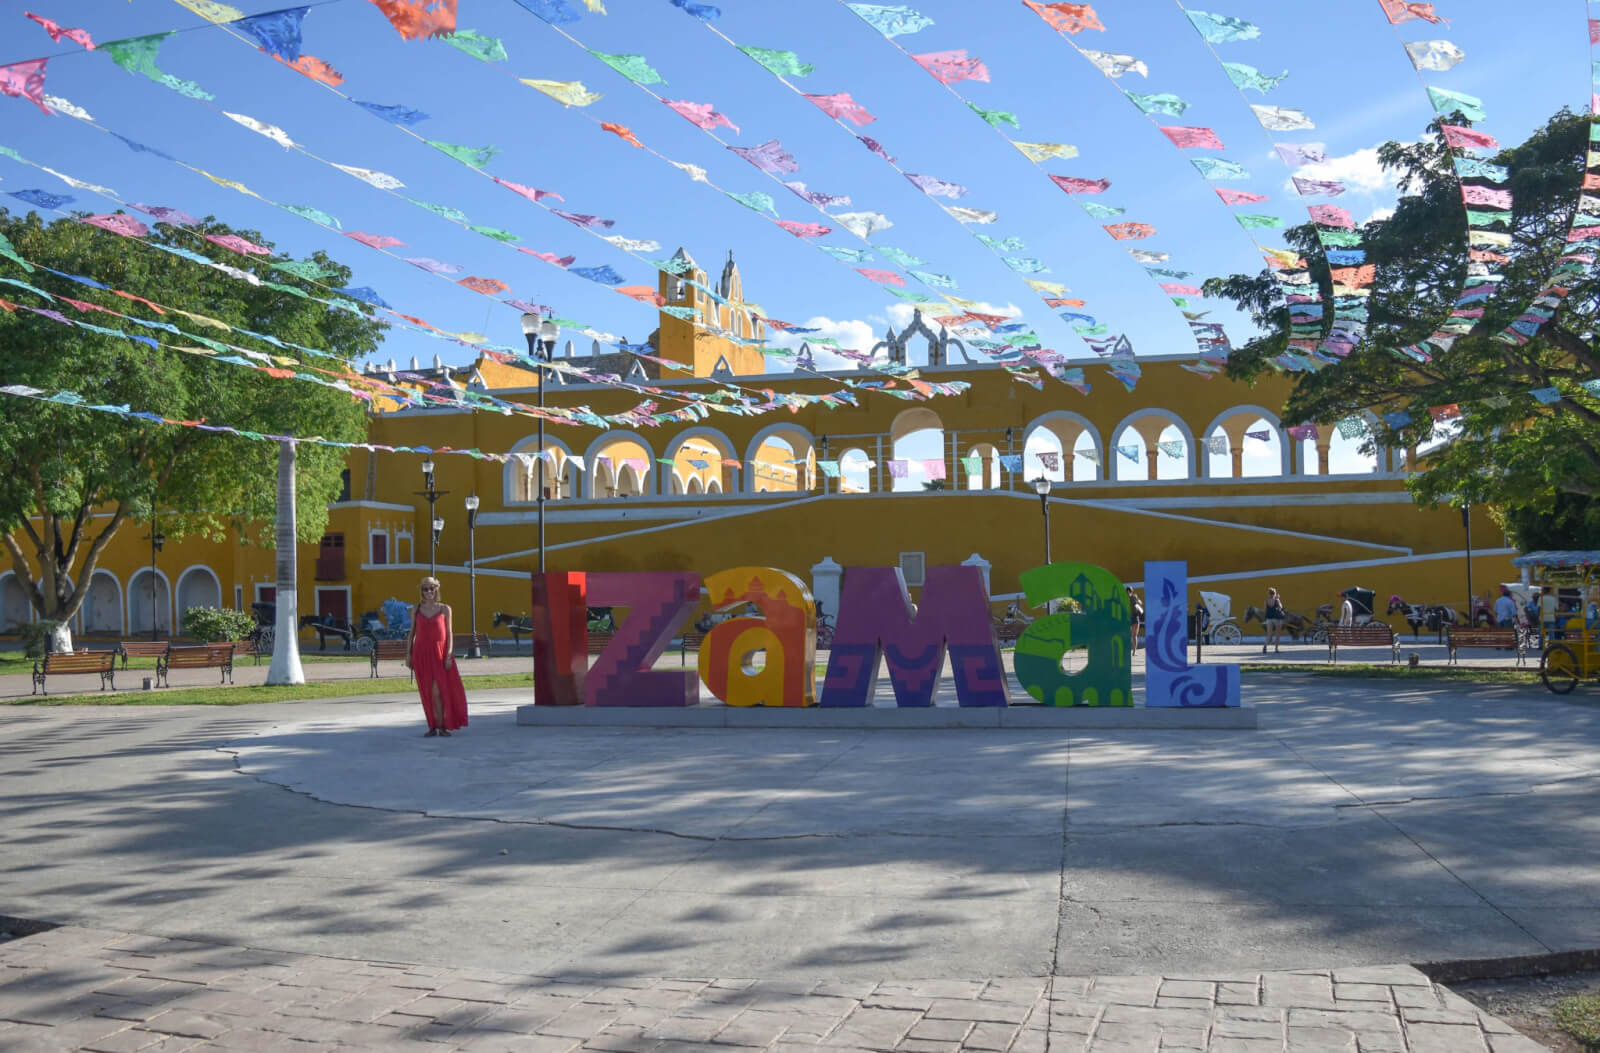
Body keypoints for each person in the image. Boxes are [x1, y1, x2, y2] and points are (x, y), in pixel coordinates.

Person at [406, 576, 468, 737]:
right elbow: (412, 633)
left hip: (440, 654)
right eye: (425, 589)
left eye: (432, 588)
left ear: (436, 589)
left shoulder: (445, 609)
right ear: (421, 591)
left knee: (439, 691)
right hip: (421, 654)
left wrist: (449, 654)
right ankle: (433, 726)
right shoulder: (416, 609)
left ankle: (442, 726)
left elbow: (449, 633)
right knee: (426, 691)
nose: (429, 591)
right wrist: (408, 654)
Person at [1262, 587, 1286, 654]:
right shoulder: (1276, 600)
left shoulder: (1266, 601)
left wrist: (1265, 618)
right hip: (1276, 619)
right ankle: (1276, 649)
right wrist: (1278, 599)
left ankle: (1265, 646)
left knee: (1269, 634)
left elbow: (1265, 610)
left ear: (1269, 594)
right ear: (1275, 593)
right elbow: (1281, 607)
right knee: (1277, 634)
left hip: (1269, 619)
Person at [1126, 586, 1144, 650]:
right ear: (1131, 591)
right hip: (1135, 617)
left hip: (1128, 618)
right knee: (1134, 636)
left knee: (1128, 635)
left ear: (1127, 591)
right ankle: (1134, 651)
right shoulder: (1134, 597)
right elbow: (1141, 603)